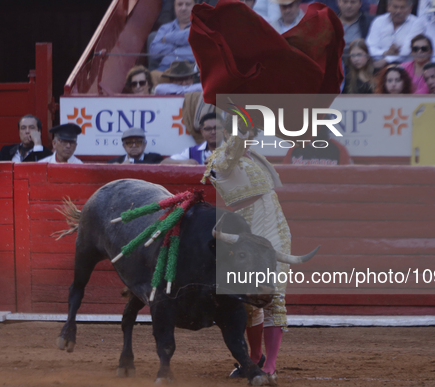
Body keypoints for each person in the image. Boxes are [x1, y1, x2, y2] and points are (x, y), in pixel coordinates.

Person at [203, 118, 291, 385]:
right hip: (246, 228)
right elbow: (228, 161)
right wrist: (238, 134)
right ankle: (254, 357)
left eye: (249, 131)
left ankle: (271, 364)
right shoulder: (218, 157)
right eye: (240, 130)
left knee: (272, 295)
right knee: (249, 300)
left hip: (275, 227)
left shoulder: (258, 157)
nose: (247, 136)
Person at [365, 0, 418, 68]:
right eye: (395, 7)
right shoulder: (378, 21)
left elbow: (407, 50)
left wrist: (386, 60)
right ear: (388, 7)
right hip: (378, 66)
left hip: (406, 68)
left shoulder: (416, 23)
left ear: (410, 8)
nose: (398, 11)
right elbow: (369, 47)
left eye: (402, 7)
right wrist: (385, 53)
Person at [149, 0, 196, 73]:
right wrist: (176, 46)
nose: (183, 8)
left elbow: (191, 34)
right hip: (166, 68)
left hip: (191, 68)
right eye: (180, 4)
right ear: (175, 7)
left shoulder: (201, 25)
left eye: (188, 4)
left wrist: (167, 38)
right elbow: (153, 51)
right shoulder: (165, 28)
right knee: (152, 76)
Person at [282, 126, 353, 164]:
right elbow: (284, 175)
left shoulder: (338, 149)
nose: (318, 129)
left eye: (321, 125)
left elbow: (347, 176)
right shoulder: (296, 148)